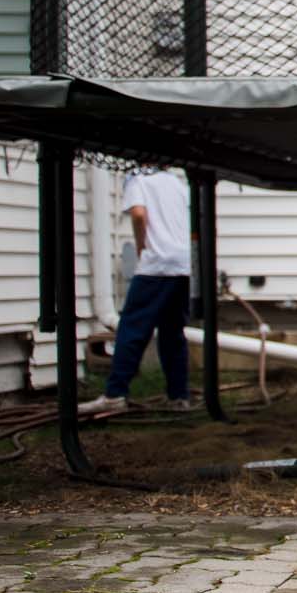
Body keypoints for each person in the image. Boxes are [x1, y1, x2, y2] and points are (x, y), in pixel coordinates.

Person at [77, 165, 194, 415]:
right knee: (173, 333)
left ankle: (115, 394)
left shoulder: (138, 178)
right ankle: (179, 396)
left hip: (155, 264)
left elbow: (139, 214)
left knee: (132, 329)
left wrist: (143, 247)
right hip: (181, 264)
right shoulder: (175, 181)